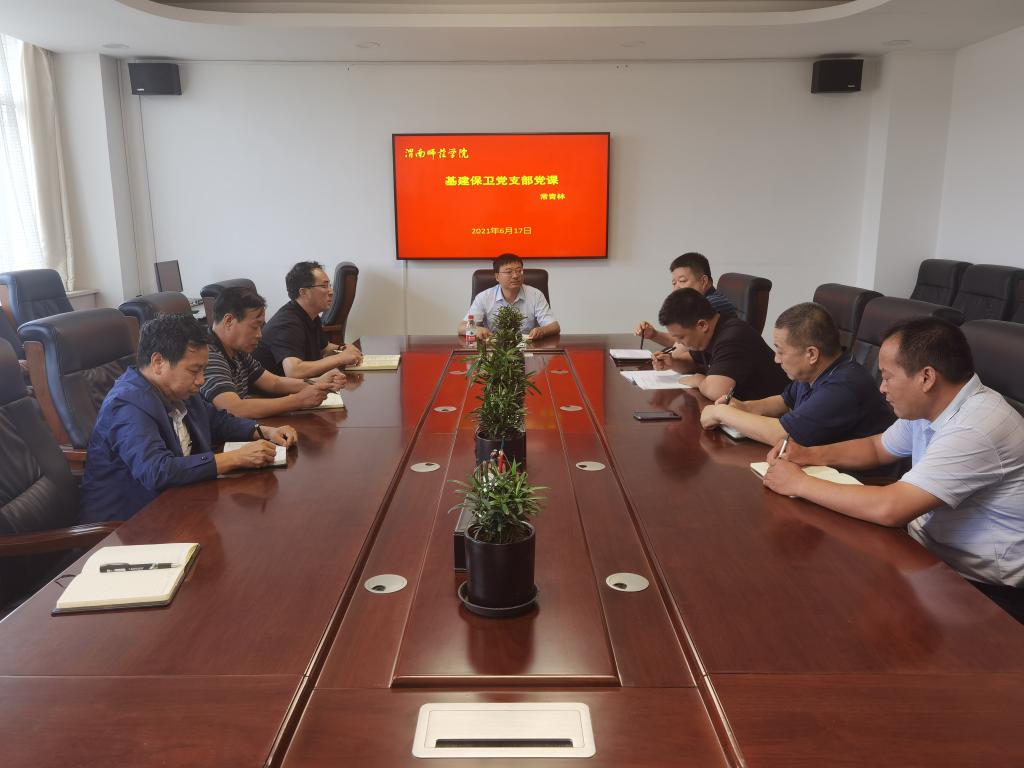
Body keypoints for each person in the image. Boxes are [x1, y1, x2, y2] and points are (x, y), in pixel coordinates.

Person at [762, 317, 1024, 622]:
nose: (882, 387)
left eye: (887, 377)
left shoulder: (978, 426)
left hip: (984, 590)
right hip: (925, 553)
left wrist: (798, 484)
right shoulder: (930, 406)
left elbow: (891, 508)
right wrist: (808, 455)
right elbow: (877, 448)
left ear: (926, 377)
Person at [80, 314, 298, 523]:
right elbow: (157, 471)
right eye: (194, 370)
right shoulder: (126, 405)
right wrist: (234, 458)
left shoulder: (178, 390)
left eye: (203, 370)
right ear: (158, 362)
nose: (201, 380)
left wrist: (263, 430)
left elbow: (218, 421)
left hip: (178, 504)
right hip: (128, 527)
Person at [700, 302, 894, 446]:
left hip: (859, 479)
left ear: (811, 354)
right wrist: (744, 407)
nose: (776, 359)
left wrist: (721, 413)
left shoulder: (843, 386)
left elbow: (783, 435)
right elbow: (784, 401)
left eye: (781, 351)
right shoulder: (815, 371)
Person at [202, 286, 346, 418]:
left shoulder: (237, 350)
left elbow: (273, 383)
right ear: (229, 321)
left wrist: (317, 382)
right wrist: (298, 400)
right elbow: (235, 409)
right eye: (254, 327)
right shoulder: (208, 355)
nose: (259, 335)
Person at [655, 287, 789, 401]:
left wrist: (699, 380)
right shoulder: (710, 332)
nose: (678, 343)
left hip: (777, 414)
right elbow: (694, 362)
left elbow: (717, 391)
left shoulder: (733, 337)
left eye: (681, 337)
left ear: (702, 325)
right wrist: (673, 363)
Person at [254, 261, 363, 378]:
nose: (331, 291)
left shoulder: (311, 314)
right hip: (273, 388)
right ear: (303, 292)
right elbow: (294, 371)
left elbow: (324, 348)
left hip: (301, 385)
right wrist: (341, 358)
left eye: (330, 286)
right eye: (324, 286)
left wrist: (343, 348)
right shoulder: (287, 324)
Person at [634, 252, 737, 356]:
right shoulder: (705, 301)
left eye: (682, 281)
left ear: (703, 281)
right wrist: (654, 334)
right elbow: (683, 341)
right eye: (674, 283)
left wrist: (659, 360)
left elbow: (679, 351)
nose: (676, 288)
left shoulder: (712, 305)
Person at [458, 253, 560, 340]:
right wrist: (476, 330)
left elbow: (554, 326)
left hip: (528, 347)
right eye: (509, 272)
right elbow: (461, 328)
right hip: (494, 348)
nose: (515, 276)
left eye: (519, 271)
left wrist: (542, 330)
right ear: (497, 276)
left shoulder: (535, 295)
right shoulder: (484, 297)